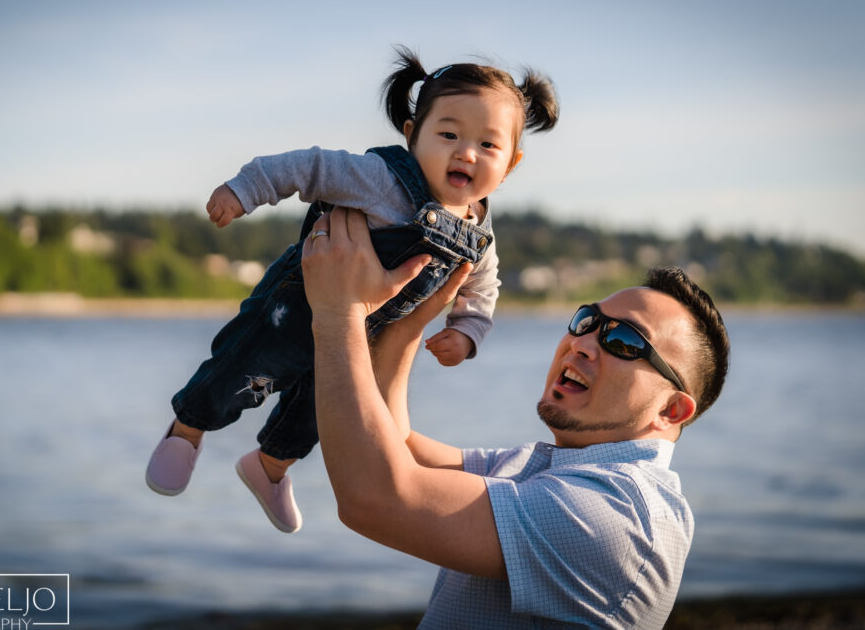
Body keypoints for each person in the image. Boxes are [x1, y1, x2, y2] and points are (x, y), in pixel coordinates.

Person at [145, 47, 560, 533]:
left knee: (324, 414)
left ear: (510, 163)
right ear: (411, 136)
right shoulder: (380, 179)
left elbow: (482, 288)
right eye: (448, 134)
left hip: (358, 338)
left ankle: (269, 468)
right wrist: (246, 188)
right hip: (292, 310)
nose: (466, 152)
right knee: (240, 370)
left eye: (488, 145)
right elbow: (310, 166)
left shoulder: (479, 237)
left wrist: (467, 329)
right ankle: (187, 431)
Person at [300, 206, 730, 628]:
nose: (581, 344)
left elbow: (376, 498)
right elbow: (399, 450)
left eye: (623, 340)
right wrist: (411, 320)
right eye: (588, 320)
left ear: (671, 410)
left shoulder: (620, 516)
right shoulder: (544, 467)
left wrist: (338, 313)